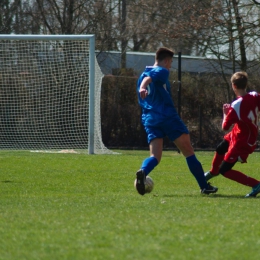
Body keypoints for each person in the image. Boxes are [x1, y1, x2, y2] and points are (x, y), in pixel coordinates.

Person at [135, 47, 218, 196]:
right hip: (167, 117)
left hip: (150, 119)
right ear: (165, 60)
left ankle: (143, 171)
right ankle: (204, 186)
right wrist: (143, 87)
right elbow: (150, 78)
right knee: (188, 152)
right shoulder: (161, 71)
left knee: (155, 156)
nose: (170, 66)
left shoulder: (141, 74)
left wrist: (141, 86)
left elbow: (147, 79)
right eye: (170, 62)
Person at [204, 71, 260, 198]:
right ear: (246, 84)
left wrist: (225, 112)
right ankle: (213, 172)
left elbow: (224, 127)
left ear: (233, 86)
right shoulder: (254, 95)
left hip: (242, 140)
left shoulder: (236, 105)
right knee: (220, 148)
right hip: (238, 134)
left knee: (225, 170)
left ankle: (256, 184)